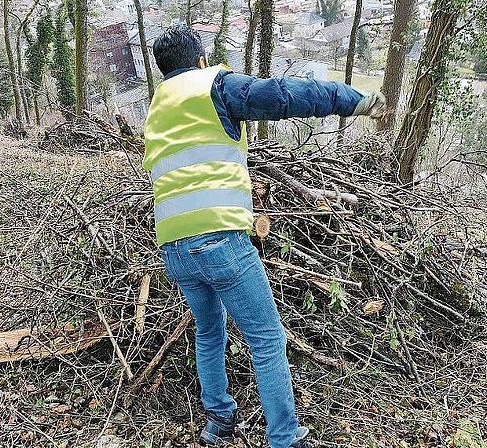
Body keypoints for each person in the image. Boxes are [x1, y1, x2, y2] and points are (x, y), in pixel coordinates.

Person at [143, 24, 385, 448]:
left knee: (209, 330)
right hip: (220, 240)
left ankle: (218, 421)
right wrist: (353, 100)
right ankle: (285, 438)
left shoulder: (157, 108)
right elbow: (284, 95)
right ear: (199, 59)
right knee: (268, 339)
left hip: (174, 248)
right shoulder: (212, 86)